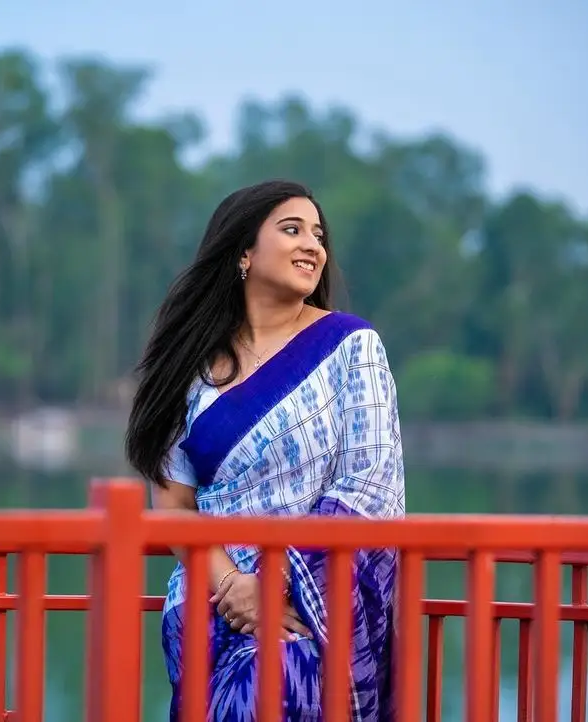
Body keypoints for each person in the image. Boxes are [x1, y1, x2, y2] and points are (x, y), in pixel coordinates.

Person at [125, 179, 406, 721]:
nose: (313, 246)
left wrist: (277, 584)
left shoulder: (352, 346)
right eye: (292, 229)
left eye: (319, 235)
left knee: (275, 674)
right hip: (210, 601)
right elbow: (175, 508)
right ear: (244, 254)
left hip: (311, 604)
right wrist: (235, 586)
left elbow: (370, 486)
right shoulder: (190, 369)